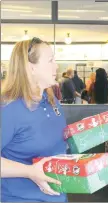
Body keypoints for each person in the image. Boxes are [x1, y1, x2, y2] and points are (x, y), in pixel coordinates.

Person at [1, 37, 67, 202]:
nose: (56, 66)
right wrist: (29, 171)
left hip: (58, 195)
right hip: (22, 198)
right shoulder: (9, 108)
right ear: (30, 68)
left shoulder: (51, 99)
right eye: (50, 60)